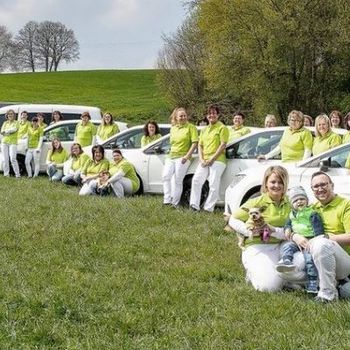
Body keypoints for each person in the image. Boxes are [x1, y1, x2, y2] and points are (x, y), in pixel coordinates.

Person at [280, 171, 350, 302]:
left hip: (344, 262)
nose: (320, 189)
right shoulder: (312, 207)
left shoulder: (346, 205)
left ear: (332, 185)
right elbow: (294, 224)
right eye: (316, 187)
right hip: (315, 253)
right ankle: (323, 283)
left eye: (323, 184)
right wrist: (294, 235)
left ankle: (328, 294)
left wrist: (325, 237)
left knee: (321, 244)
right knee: (283, 270)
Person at [228, 166, 291, 292]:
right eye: (273, 182)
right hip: (259, 246)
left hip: (283, 246)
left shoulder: (290, 203)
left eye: (280, 182)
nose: (276, 185)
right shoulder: (257, 201)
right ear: (266, 183)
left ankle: (281, 277)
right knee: (268, 287)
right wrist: (248, 231)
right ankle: (253, 271)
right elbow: (232, 219)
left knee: (298, 267)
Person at [276, 186, 324, 294]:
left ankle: (313, 281)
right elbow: (287, 224)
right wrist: (288, 229)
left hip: (309, 241)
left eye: (302, 199)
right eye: (296, 200)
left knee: (309, 260)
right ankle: (286, 261)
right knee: (287, 246)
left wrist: (314, 243)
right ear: (292, 204)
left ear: (307, 201)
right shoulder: (292, 214)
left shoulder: (312, 214)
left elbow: (318, 231)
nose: (299, 202)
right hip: (296, 241)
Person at [189, 105, 229, 212]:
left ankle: (208, 208)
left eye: (214, 113)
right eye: (210, 113)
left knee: (213, 183)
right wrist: (201, 159)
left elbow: (223, 145)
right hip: (204, 160)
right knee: (196, 180)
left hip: (218, 159)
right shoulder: (204, 130)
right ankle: (194, 205)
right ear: (207, 116)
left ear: (218, 115)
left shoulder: (222, 128)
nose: (212, 115)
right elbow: (200, 146)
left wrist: (212, 159)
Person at [162, 107, 198, 207]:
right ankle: (167, 200)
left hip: (183, 157)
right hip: (171, 156)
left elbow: (194, 143)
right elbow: (171, 143)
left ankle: (174, 203)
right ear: (176, 117)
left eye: (184, 115)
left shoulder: (191, 127)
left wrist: (187, 156)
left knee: (178, 180)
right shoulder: (173, 128)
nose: (183, 117)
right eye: (180, 116)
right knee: (166, 176)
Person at [0, 109, 21, 178]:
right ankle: (6, 174)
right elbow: (1, 132)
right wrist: (7, 131)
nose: (10, 115)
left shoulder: (17, 122)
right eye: (9, 114)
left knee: (13, 158)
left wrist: (6, 132)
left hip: (13, 143)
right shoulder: (5, 123)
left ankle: (17, 175)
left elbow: (14, 129)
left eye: (11, 114)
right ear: (7, 115)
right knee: (5, 159)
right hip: (4, 142)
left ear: (14, 115)